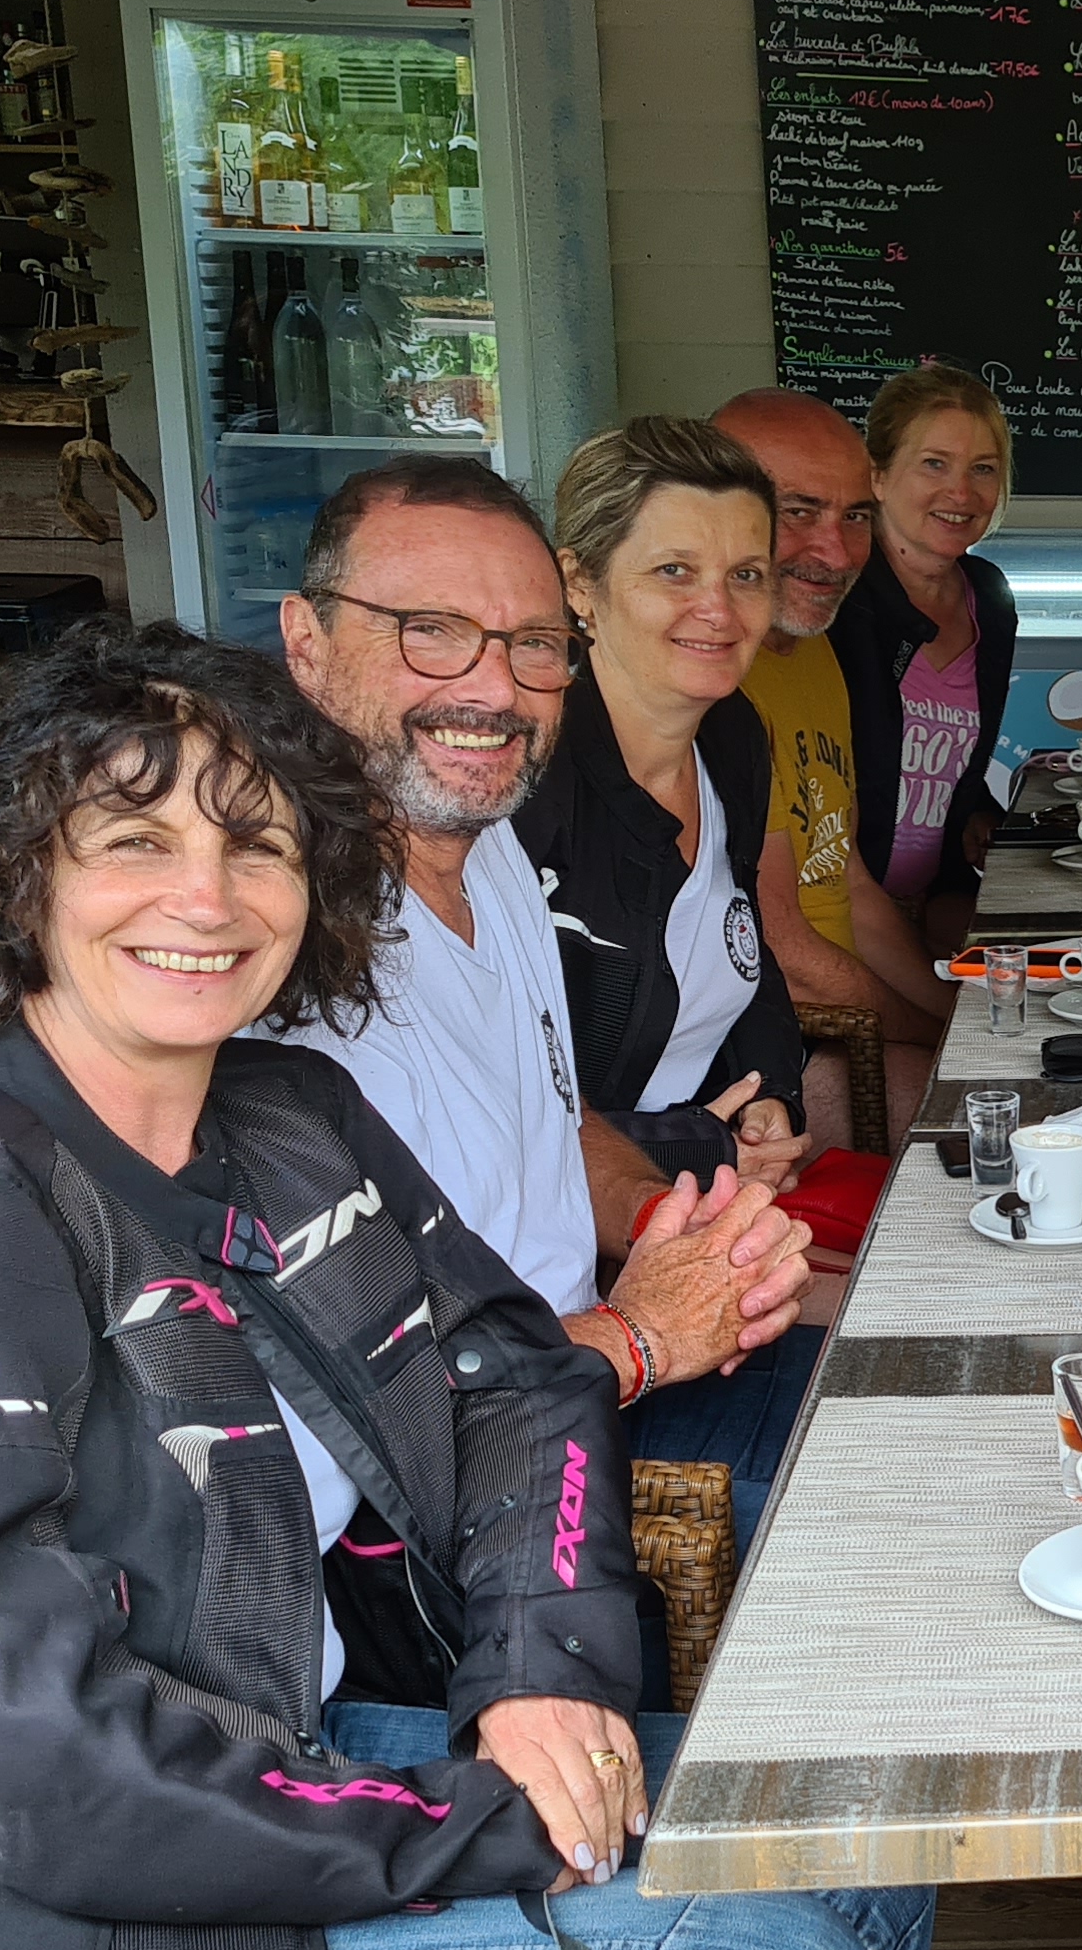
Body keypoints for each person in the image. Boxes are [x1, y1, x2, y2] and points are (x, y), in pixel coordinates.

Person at [0, 621, 931, 1950]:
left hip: (293, 1763)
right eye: (134, 841)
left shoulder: (285, 1113)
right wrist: (482, 1821)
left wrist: (538, 1679)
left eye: (258, 844)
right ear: (14, 875)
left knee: (853, 1819)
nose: (206, 897)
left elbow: (520, 1388)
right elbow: (28, 1764)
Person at [271, 453, 814, 1506]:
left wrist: (664, 1223)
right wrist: (640, 1337)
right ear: (308, 642)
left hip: (597, 1370)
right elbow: (347, 1405)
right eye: (428, 630)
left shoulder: (495, 857)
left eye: (531, 643)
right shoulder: (270, 941)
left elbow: (556, 1121)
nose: (491, 689)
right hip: (467, 1494)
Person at [516, 416, 812, 1193]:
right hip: (566, 1225)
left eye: (746, 574)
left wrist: (771, 1094)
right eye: (675, 570)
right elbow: (485, 1103)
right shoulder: (522, 774)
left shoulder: (732, 735)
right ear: (579, 584)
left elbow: (739, 940)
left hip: (710, 1183)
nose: (719, 609)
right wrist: (695, 1148)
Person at [714, 384, 957, 1153]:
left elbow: (848, 884)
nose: (838, 552)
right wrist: (934, 1039)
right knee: (1008, 1122)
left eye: (856, 516)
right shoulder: (714, 684)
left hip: (851, 1020)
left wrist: (958, 1023)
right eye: (799, 511)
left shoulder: (814, 653)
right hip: (770, 1058)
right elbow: (785, 956)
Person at [826, 363, 1022, 955]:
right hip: (840, 920)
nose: (961, 493)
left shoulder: (988, 596)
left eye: (982, 469)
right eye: (934, 464)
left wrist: (976, 811)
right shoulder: (834, 600)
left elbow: (938, 758)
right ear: (878, 476)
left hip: (933, 905)